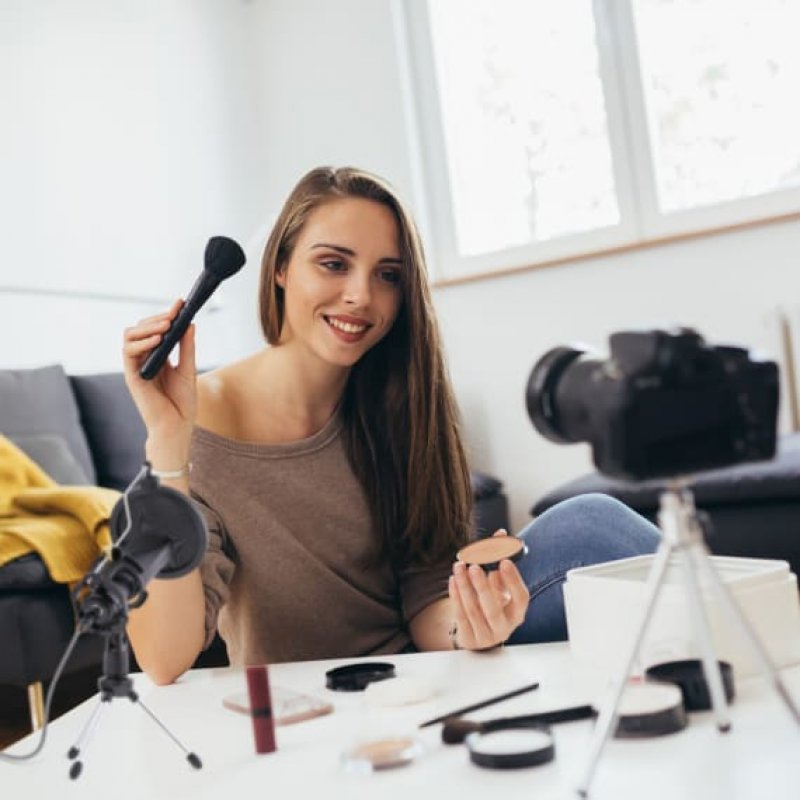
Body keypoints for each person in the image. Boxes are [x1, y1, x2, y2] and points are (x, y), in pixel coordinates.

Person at [123, 166, 659, 685]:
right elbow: (164, 660)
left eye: (388, 275)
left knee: (592, 526)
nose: (362, 295)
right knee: (593, 525)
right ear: (281, 267)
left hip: (422, 682)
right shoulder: (201, 426)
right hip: (315, 703)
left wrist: (467, 626)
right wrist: (167, 448)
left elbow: (426, 600)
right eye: (334, 264)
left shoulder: (404, 404)